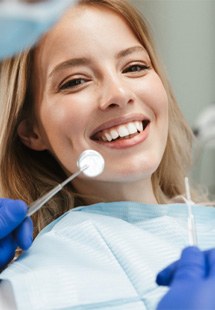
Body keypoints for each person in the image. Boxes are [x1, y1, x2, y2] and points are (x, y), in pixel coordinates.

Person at [0, 0, 215, 308]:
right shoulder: (34, 284)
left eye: (135, 67)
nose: (119, 93)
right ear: (32, 131)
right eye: (75, 81)